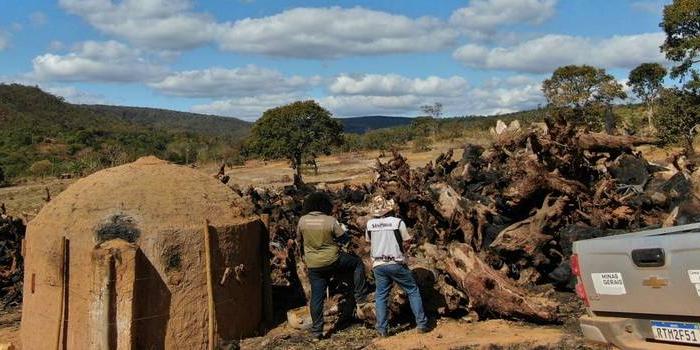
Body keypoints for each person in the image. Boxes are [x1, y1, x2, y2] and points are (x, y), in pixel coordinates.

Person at [296, 191, 368, 340]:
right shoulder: (330, 220)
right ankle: (361, 298)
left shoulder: (302, 221)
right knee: (357, 264)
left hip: (314, 265)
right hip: (333, 260)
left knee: (317, 298)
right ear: (324, 205)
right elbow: (344, 239)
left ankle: (316, 332)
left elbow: (299, 240)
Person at [365, 196, 429, 337]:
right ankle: (422, 323)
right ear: (389, 209)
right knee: (412, 290)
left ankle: (382, 329)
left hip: (378, 265)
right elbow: (407, 240)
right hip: (395, 262)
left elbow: (369, 241)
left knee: (381, 296)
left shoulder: (370, 224)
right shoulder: (397, 222)